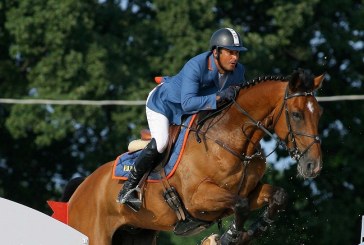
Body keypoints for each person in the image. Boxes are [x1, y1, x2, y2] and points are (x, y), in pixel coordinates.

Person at [117, 27, 248, 211]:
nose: (235, 58)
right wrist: (218, 98)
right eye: (230, 52)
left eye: (238, 53)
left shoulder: (239, 71)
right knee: (162, 143)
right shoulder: (197, 65)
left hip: (191, 113)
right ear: (216, 52)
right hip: (164, 105)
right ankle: (128, 188)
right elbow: (187, 103)